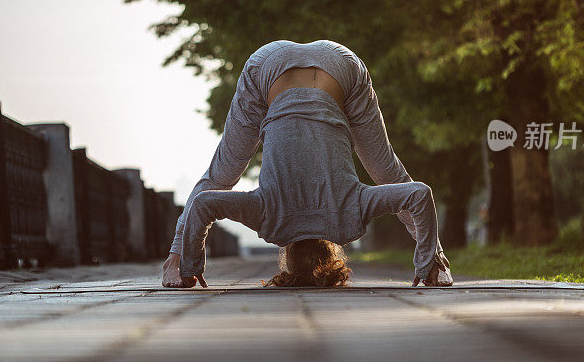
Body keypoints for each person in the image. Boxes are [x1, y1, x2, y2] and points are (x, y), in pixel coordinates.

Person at [162, 39, 453, 288]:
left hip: (340, 65)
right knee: (222, 176)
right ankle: (173, 264)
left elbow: (417, 194)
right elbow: (205, 204)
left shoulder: (348, 218)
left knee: (386, 171)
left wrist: (427, 256)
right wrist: (190, 264)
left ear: (335, 254)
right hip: (267, 68)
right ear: (286, 259)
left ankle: (437, 266)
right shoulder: (270, 221)